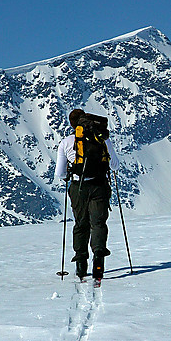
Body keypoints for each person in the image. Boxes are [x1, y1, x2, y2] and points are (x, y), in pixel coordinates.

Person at [55, 108, 120, 282]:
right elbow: (115, 165)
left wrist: (71, 171)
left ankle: (81, 264)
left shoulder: (66, 142)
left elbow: (60, 173)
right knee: (98, 222)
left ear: (71, 124)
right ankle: (99, 259)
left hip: (78, 187)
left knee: (81, 223)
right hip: (99, 185)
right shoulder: (102, 138)